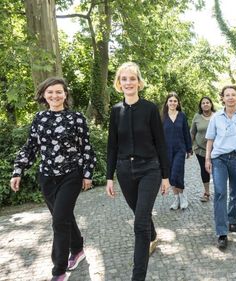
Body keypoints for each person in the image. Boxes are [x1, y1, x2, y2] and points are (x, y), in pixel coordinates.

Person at [10, 77, 97, 281]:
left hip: (71, 175)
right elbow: (31, 147)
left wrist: (87, 173)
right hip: (47, 177)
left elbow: (86, 147)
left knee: (59, 221)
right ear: (44, 95)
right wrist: (18, 170)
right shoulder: (39, 119)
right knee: (64, 217)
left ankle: (58, 271)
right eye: (50, 92)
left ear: (65, 95)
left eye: (59, 92)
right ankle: (77, 250)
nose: (55, 95)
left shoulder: (76, 118)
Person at [106, 62, 170, 281]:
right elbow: (112, 145)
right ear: (119, 83)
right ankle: (152, 234)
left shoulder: (150, 108)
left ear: (139, 82)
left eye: (132, 78)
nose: (128, 83)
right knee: (139, 214)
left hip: (149, 170)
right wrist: (109, 177)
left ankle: (138, 276)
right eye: (124, 79)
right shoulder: (115, 111)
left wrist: (165, 176)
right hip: (124, 171)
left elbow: (161, 143)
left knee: (139, 222)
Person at [205, 85, 236, 249]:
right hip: (219, 158)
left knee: (235, 191)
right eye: (227, 95)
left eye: (233, 95)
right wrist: (207, 159)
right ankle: (221, 232)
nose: (231, 97)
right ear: (222, 98)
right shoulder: (216, 117)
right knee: (220, 192)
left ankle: (233, 219)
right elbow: (210, 139)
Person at [162, 92, 192, 210]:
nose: (173, 103)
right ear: (166, 103)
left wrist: (189, 149)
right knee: (170, 175)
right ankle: (177, 198)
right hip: (166, 150)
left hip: (180, 149)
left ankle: (182, 196)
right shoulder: (162, 117)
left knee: (176, 174)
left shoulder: (182, 116)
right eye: (170, 101)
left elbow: (186, 132)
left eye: (175, 101)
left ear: (178, 103)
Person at [190, 96, 215, 202]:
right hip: (200, 149)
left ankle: (219, 191)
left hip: (216, 150)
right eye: (203, 103)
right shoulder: (197, 117)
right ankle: (206, 192)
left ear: (211, 104)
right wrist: (190, 146)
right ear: (201, 105)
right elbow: (192, 132)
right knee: (205, 170)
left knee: (217, 170)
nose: (205, 104)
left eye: (207, 102)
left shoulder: (217, 116)